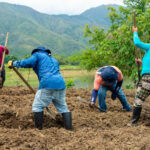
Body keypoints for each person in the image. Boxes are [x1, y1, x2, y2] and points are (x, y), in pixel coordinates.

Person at [8, 46, 72, 130]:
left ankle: (38, 130)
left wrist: (14, 63)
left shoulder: (38, 55)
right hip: (60, 84)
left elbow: (28, 62)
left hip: (47, 83)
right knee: (63, 108)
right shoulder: (53, 59)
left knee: (37, 106)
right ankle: (69, 128)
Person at [128, 26, 150, 126]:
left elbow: (137, 43)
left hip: (147, 79)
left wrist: (135, 33)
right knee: (138, 97)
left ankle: (134, 122)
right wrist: (141, 63)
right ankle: (134, 121)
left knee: (139, 99)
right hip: (146, 78)